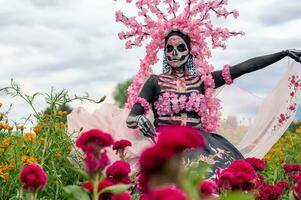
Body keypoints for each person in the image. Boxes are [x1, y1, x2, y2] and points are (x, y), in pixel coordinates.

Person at [125, 30, 301, 174]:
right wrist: (139, 119)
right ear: (164, 52)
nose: (175, 54)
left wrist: (282, 54)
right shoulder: (154, 81)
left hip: (200, 144)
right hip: (166, 144)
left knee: (223, 181)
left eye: (180, 48)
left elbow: (243, 68)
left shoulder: (203, 80)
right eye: (169, 49)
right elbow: (131, 117)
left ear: (189, 51)